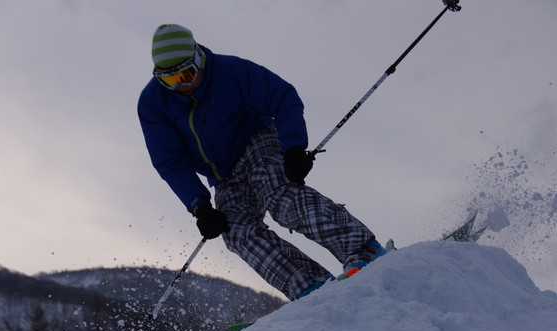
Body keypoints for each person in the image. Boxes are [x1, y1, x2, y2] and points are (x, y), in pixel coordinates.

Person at [138, 24, 386, 301]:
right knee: (235, 230)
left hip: (256, 140)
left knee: (278, 193)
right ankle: (309, 286)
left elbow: (283, 96)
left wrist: (293, 148)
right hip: (223, 174)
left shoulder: (230, 71)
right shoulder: (153, 104)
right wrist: (200, 206)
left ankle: (363, 248)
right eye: (171, 81)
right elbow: (169, 160)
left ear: (199, 60)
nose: (182, 86)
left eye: (186, 74)